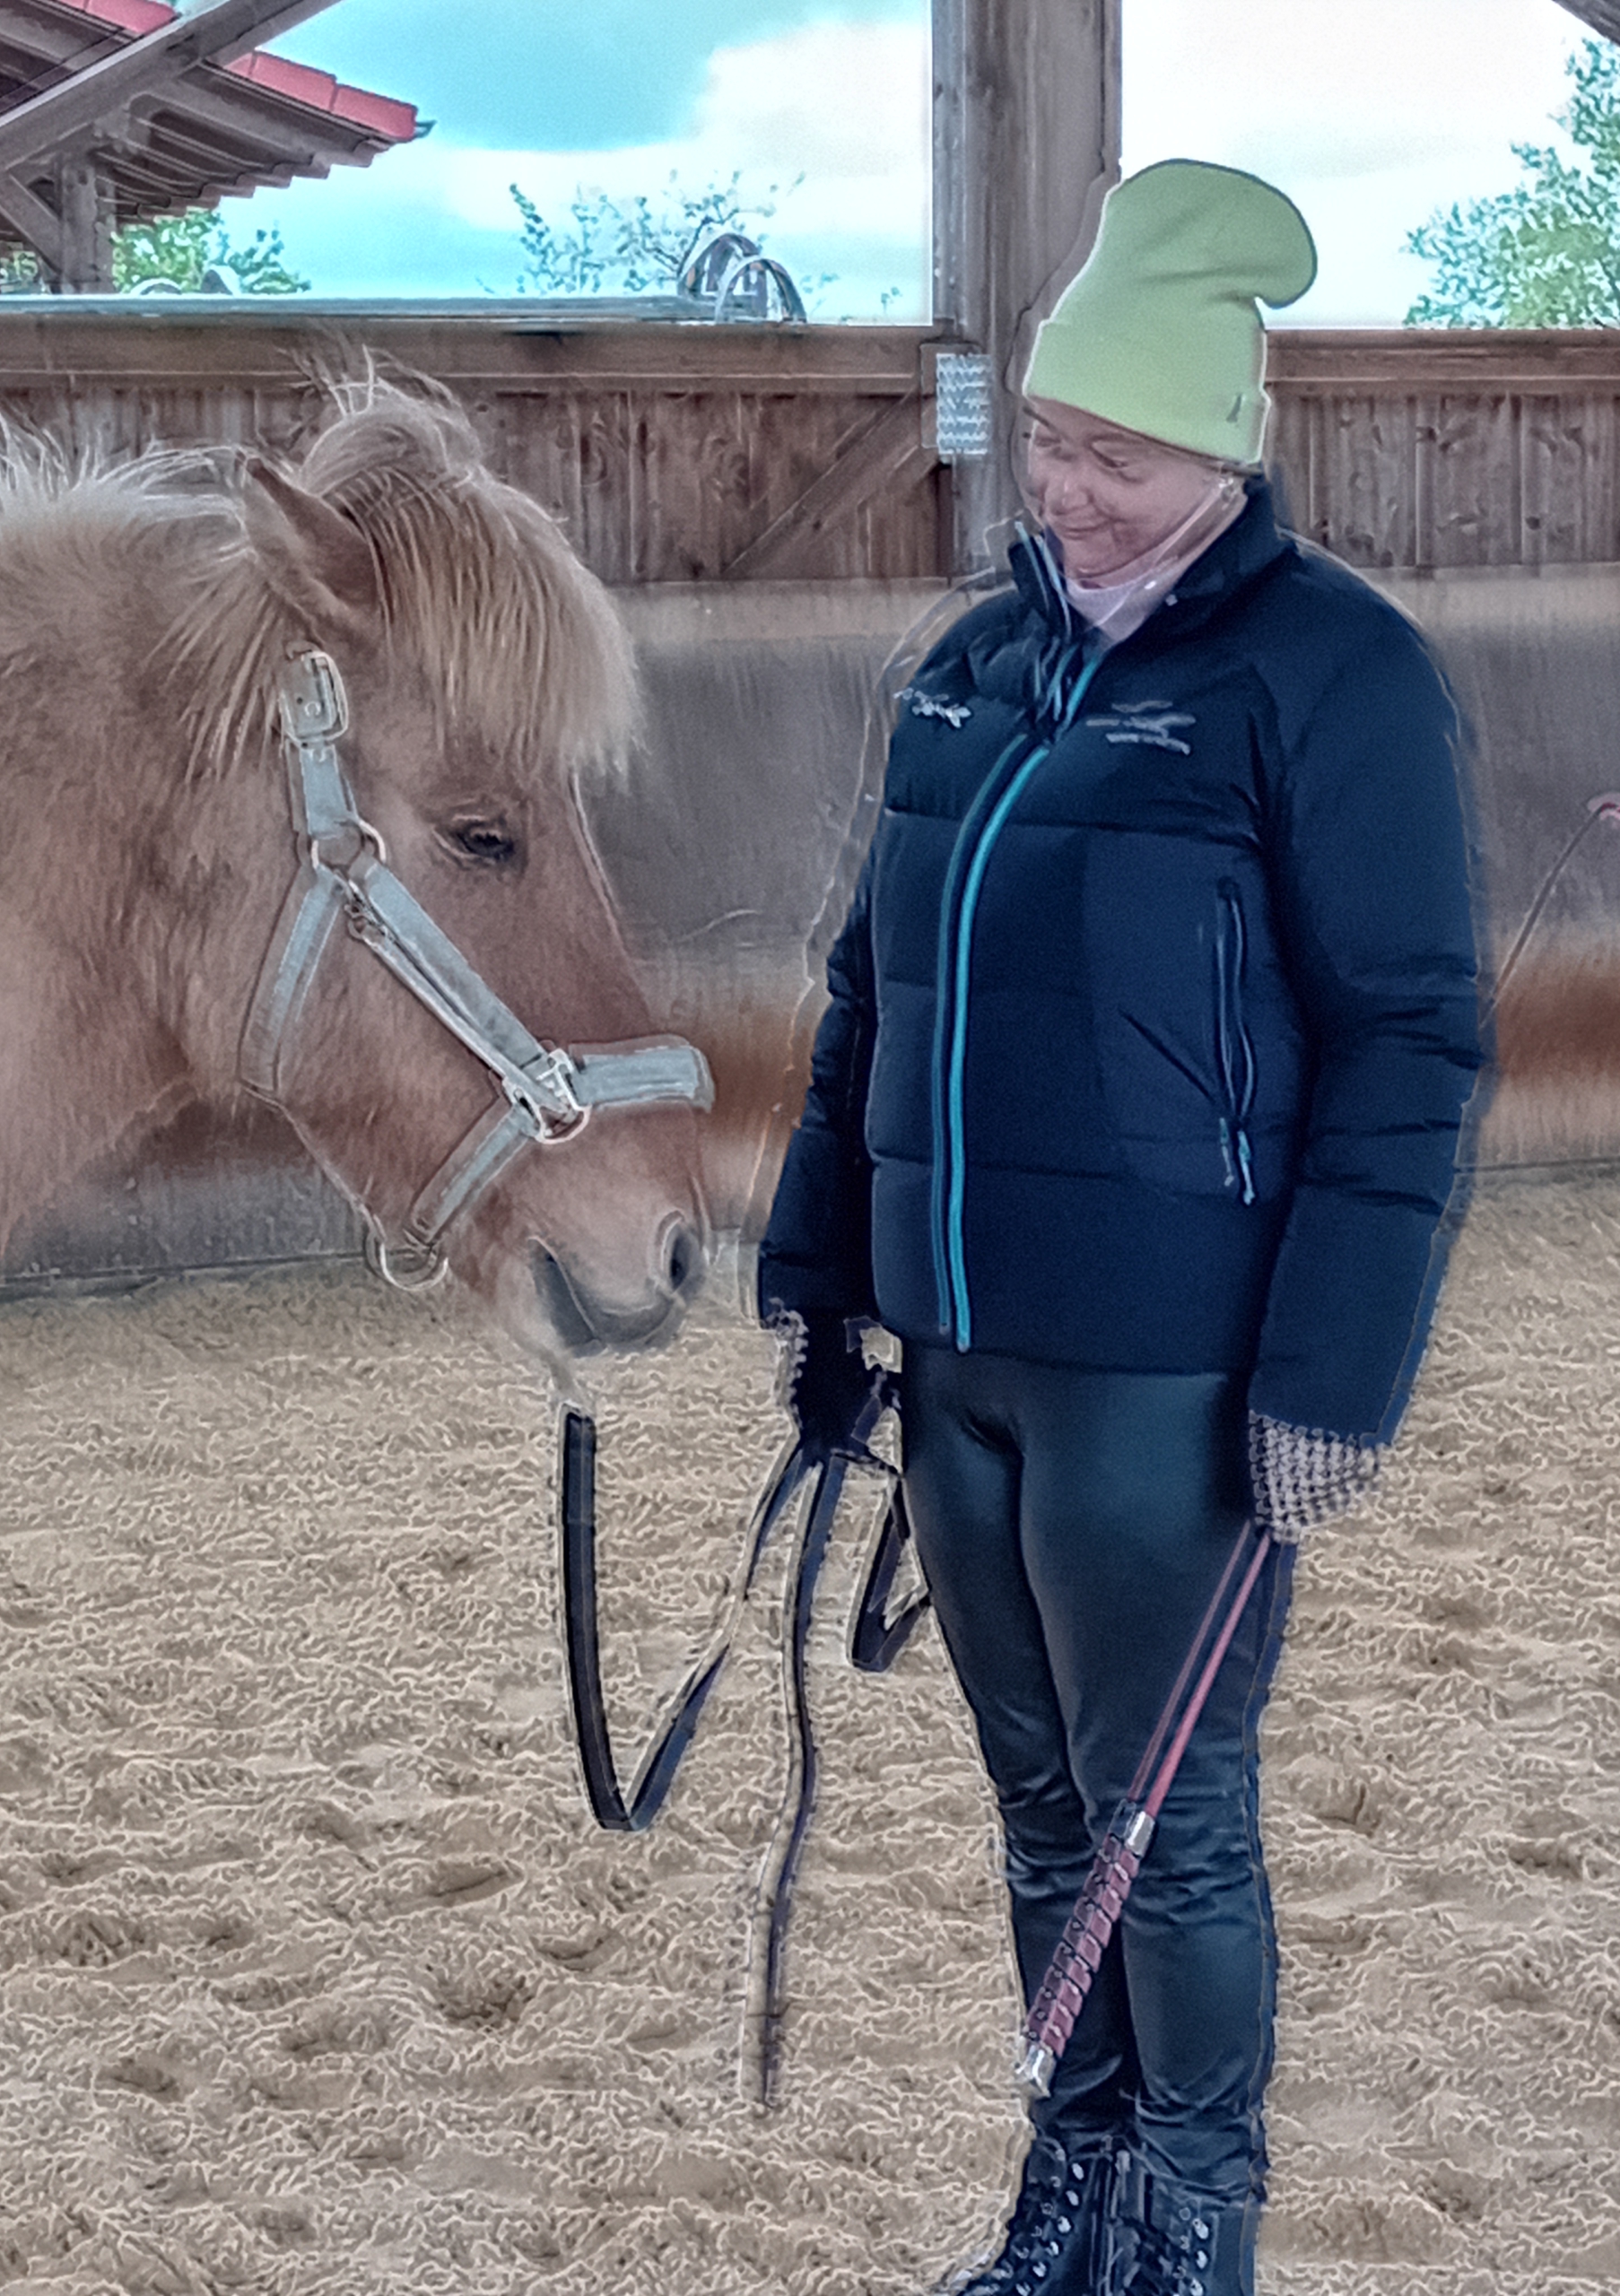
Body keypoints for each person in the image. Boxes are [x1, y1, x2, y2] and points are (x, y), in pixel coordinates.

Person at [758, 161, 1484, 2296]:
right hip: (960, 1356)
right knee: (1044, 1810)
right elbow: (870, 989)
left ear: (1218, 451)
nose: (1060, 487)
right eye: (1049, 440)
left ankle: (1194, 2231)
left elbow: (1414, 1043)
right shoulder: (973, 669)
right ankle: (1064, 2205)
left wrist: (1333, 1371)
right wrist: (826, 1279)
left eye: (1110, 453)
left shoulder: (1329, 677)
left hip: (1172, 1370)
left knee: (1168, 1832)